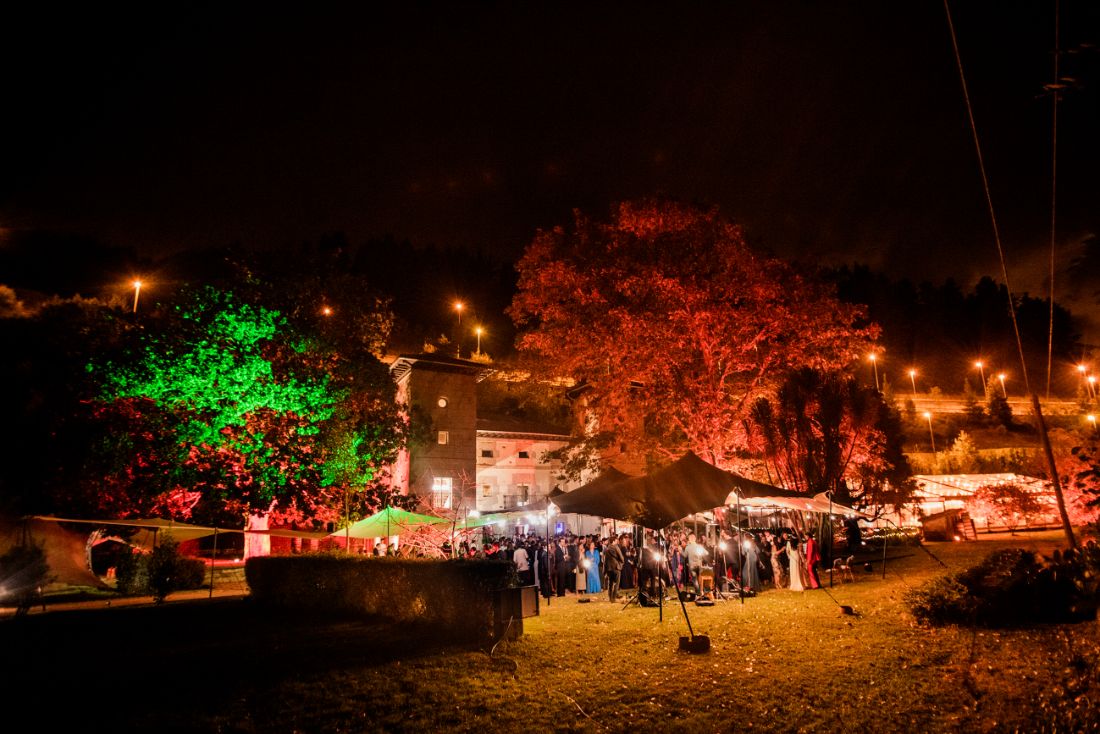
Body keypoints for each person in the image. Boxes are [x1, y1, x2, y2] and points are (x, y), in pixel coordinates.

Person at [604, 535, 625, 602]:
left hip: (609, 568)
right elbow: (621, 558)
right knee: (616, 583)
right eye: (616, 540)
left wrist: (605, 570)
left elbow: (605, 560)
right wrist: (621, 564)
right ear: (613, 541)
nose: (617, 541)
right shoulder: (616, 547)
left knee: (610, 583)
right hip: (616, 567)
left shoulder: (607, 549)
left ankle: (610, 597)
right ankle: (613, 598)